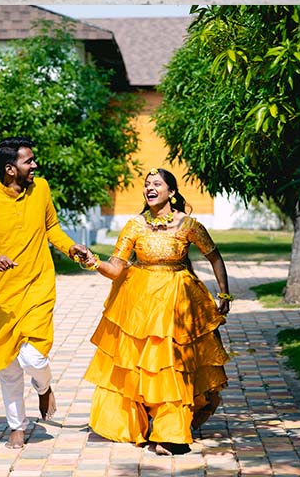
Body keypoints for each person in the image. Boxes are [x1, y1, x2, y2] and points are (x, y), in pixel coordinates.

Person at [0, 137, 94, 450]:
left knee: (33, 356)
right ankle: (16, 426)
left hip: (38, 285)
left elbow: (52, 228)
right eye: (28, 161)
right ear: (10, 169)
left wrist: (71, 247)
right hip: (1, 296)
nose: (35, 166)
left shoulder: (41, 189)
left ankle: (44, 387)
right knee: (7, 366)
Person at [83, 167, 230, 455]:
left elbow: (214, 256)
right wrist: (92, 261)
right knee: (141, 365)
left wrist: (223, 292)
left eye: (157, 184)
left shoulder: (189, 225)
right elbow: (116, 268)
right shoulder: (134, 225)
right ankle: (140, 423)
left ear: (171, 193)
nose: (150, 188)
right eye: (147, 184)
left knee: (172, 364)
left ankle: (170, 432)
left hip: (178, 301)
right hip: (140, 304)